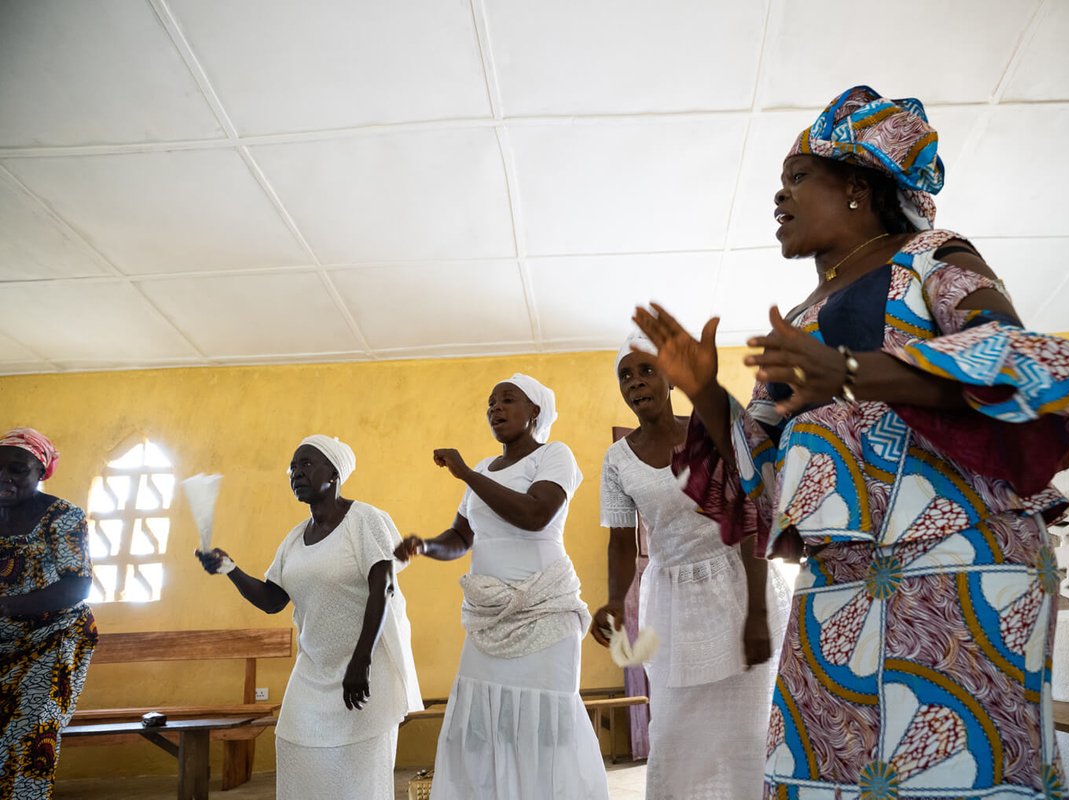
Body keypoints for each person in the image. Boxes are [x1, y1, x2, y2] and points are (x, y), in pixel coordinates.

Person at [633, 86, 1069, 799]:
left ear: (857, 187)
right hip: (836, 578)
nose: (778, 198)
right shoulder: (799, 316)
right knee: (826, 768)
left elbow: (1009, 358)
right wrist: (703, 393)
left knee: (960, 763)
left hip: (962, 556)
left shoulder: (931, 257)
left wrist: (850, 372)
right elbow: (760, 468)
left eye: (796, 179)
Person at [591, 334, 792, 799]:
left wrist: (757, 614)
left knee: (746, 733)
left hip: (740, 584)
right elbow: (621, 542)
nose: (635, 382)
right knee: (673, 733)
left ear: (669, 380)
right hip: (673, 604)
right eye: (625, 374)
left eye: (646, 370)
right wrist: (613, 601)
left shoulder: (708, 433)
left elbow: (746, 520)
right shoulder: (617, 461)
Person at [395, 374, 607, 800]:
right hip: (489, 616)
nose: (495, 408)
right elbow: (461, 538)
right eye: (490, 403)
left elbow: (535, 514)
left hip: (545, 607)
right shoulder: (481, 471)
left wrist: (465, 475)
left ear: (535, 412)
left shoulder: (554, 455)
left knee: (546, 728)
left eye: (507, 400)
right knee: (479, 722)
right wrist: (426, 545)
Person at [196, 434, 422, 800]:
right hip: (314, 669)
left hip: (364, 667)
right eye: (292, 467)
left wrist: (360, 660)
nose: (296, 472)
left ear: (334, 473)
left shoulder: (366, 520)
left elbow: (382, 587)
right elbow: (273, 600)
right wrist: (230, 568)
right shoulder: (295, 539)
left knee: (357, 773)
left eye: (306, 464)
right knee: (294, 746)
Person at [0, 428, 97, 799]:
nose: (3, 477)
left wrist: (8, 605)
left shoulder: (62, 516)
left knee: (30, 731)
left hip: (54, 640)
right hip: (3, 641)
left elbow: (78, 585)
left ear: (40, 472)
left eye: (16, 469)